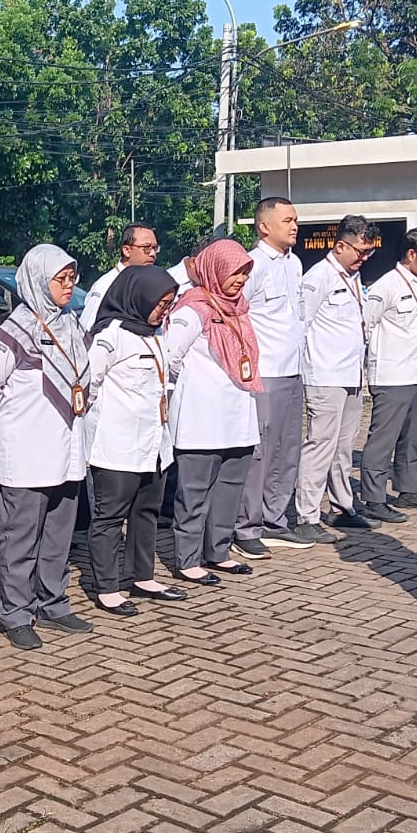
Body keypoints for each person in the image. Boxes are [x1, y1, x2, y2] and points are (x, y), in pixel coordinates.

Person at [0, 245, 93, 650]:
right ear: (39, 281)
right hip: (29, 448)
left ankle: (53, 601)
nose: (68, 286)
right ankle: (15, 612)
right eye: (60, 279)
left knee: (58, 533)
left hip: (68, 447)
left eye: (72, 278)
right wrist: (10, 415)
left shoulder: (71, 323)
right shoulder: (15, 330)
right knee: (21, 537)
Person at [164, 239, 262, 584]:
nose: (240, 280)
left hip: (238, 413)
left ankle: (218, 551)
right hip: (202, 417)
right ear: (214, 269)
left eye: (244, 273)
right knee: (194, 492)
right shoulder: (191, 310)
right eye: (235, 272)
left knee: (230, 486)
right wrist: (197, 383)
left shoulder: (240, 308)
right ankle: (187, 558)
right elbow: (169, 357)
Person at [85, 265, 180, 615]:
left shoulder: (156, 333)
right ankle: (107, 587)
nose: (164, 310)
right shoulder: (111, 336)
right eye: (160, 303)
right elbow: (89, 384)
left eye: (169, 304)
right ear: (139, 297)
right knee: (110, 517)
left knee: (147, 511)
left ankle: (142, 576)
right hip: (118, 443)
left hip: (155, 442)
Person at [294, 217, 382, 542]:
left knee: (343, 447)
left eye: (369, 253)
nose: (364, 258)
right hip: (325, 375)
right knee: (320, 446)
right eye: (360, 251)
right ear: (341, 245)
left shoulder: (354, 278)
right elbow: (301, 325)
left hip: (352, 374)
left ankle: (342, 506)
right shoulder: (318, 277)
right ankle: (307, 515)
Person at [233, 197, 310, 559]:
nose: (294, 226)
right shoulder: (253, 265)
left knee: (287, 450)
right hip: (265, 373)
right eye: (287, 220)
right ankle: (246, 526)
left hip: (293, 369)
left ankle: (274, 520)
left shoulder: (294, 263)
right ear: (264, 227)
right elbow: (236, 314)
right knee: (260, 452)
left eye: (295, 220)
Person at [359, 226, 417, 523]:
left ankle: (409, 488)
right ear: (411, 254)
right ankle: (373, 498)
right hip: (393, 375)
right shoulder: (386, 286)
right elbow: (366, 326)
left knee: (414, 435)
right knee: (384, 438)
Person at [79, 224, 159, 329]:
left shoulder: (150, 284)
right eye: (146, 248)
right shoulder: (105, 286)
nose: (153, 254)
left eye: (155, 248)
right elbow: (87, 330)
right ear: (127, 250)